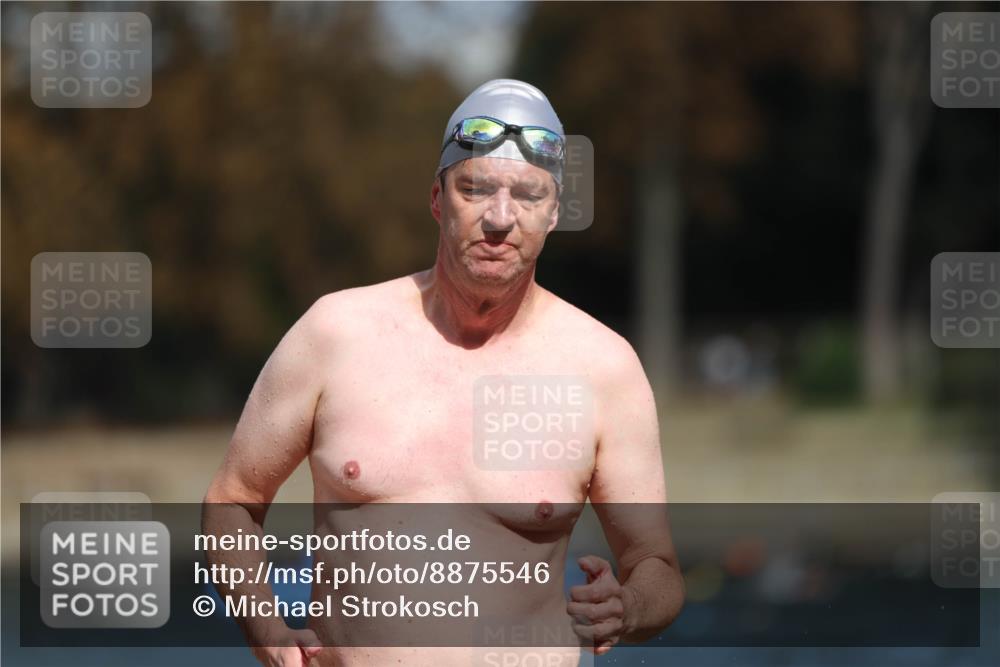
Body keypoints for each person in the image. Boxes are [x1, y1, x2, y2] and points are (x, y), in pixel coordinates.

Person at [204, 78, 684, 667]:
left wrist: (628, 607)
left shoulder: (603, 369)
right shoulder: (335, 334)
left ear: (555, 211)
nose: (500, 218)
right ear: (437, 198)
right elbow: (232, 501)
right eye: (475, 189)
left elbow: (656, 566)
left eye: (529, 195)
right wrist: (267, 631)